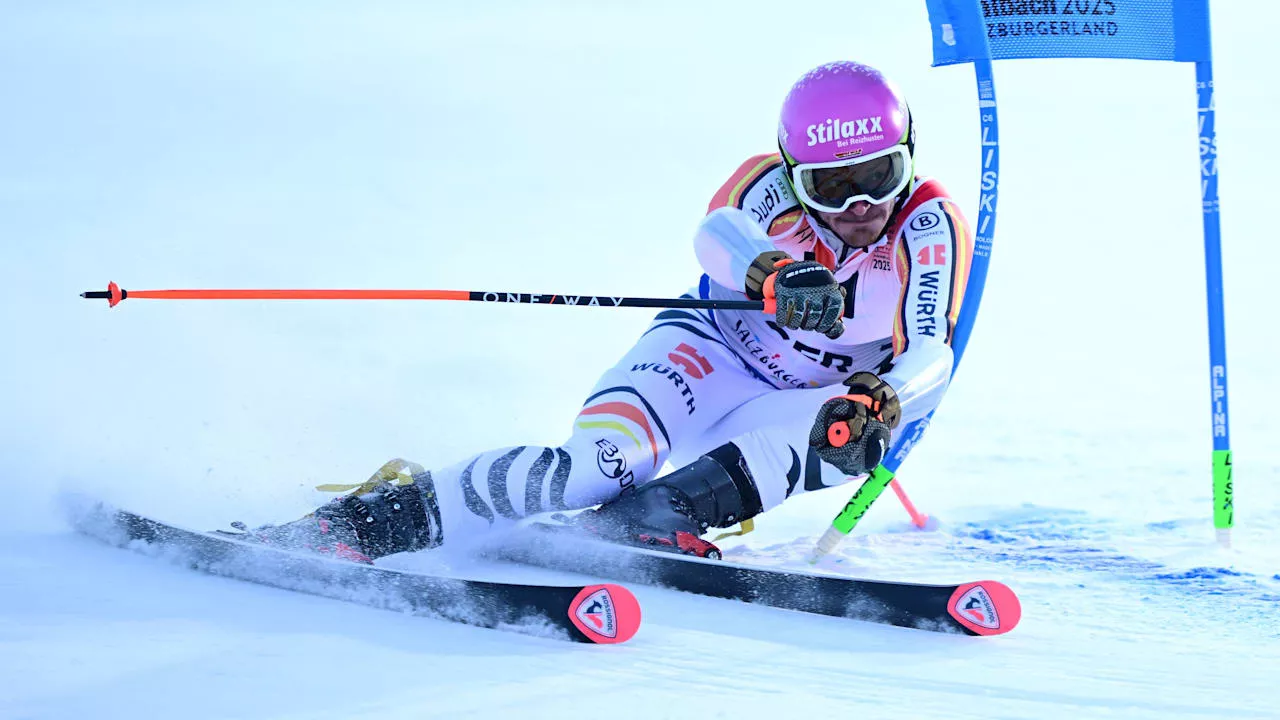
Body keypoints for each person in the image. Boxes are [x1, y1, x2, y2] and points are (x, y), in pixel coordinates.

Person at [241, 60, 974, 563]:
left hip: (794, 404)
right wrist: (772, 273)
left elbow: (929, 351)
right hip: (710, 355)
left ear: (908, 156)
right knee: (593, 468)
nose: (860, 206)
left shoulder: (927, 226)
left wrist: (889, 394)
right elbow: (716, 234)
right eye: (832, 185)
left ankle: (656, 519)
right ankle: (367, 523)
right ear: (792, 173)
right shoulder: (767, 188)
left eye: (881, 175)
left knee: (847, 434)